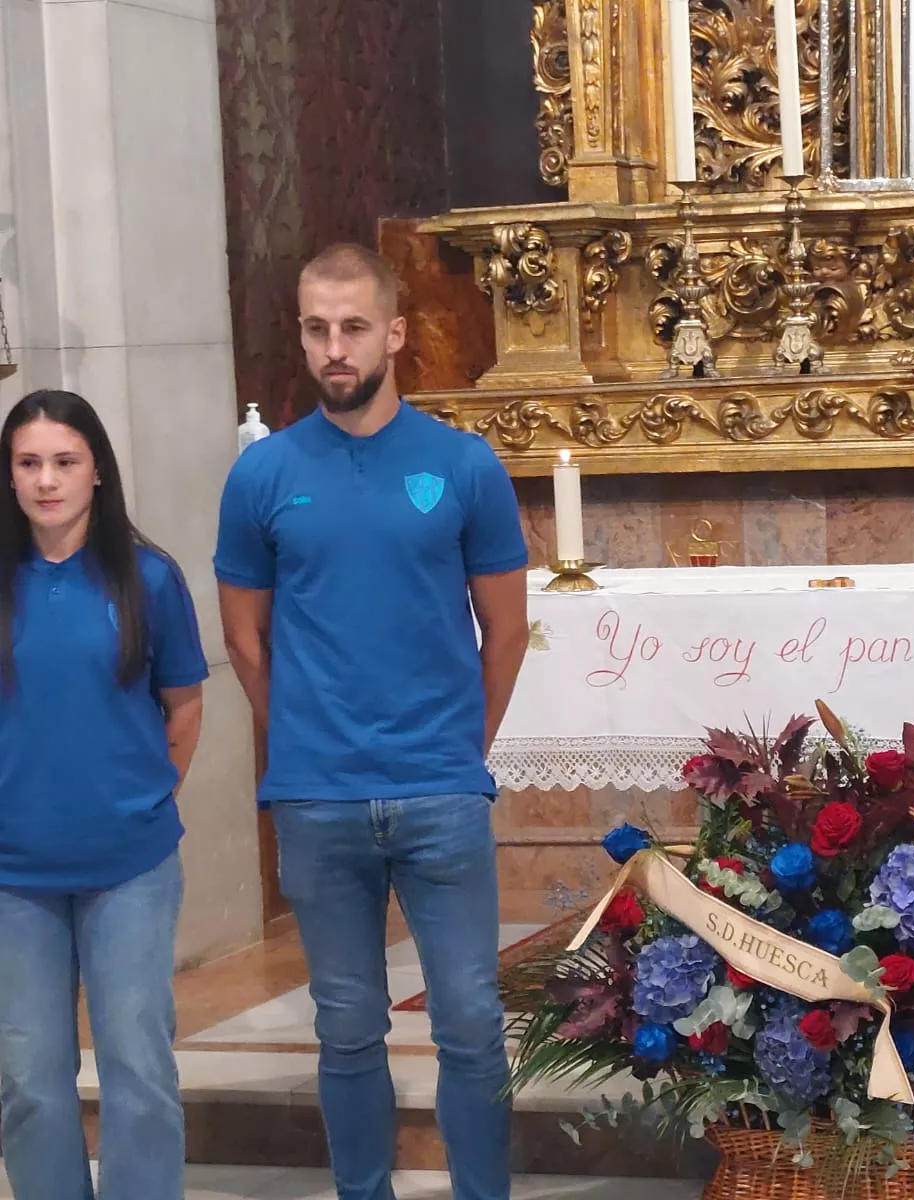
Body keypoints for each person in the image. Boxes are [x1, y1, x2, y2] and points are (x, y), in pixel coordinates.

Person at [214, 244, 530, 1200]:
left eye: (354, 327)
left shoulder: (462, 465)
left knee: (471, 1018)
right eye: (317, 328)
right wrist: (305, 739)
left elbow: (507, 628)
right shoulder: (262, 475)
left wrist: (456, 750)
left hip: (440, 791)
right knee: (346, 1022)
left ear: (394, 333)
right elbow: (242, 639)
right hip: (318, 799)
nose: (335, 348)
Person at [0, 390, 207, 1200]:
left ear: (96, 474)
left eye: (64, 461)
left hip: (130, 866)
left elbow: (184, 707)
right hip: (14, 873)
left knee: (137, 1072)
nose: (46, 480)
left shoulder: (148, 579)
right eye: (27, 463)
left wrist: (140, 798)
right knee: (28, 1082)